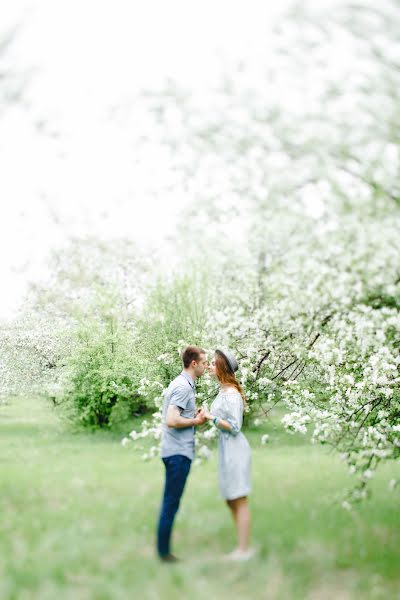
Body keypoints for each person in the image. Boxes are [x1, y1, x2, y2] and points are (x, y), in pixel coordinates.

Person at [156, 345, 208, 562]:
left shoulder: (183, 384)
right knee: (171, 502)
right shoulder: (183, 387)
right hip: (177, 453)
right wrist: (196, 420)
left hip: (175, 451)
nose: (206, 366)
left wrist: (191, 415)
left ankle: (164, 550)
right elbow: (171, 420)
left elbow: (178, 415)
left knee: (171, 501)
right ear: (194, 363)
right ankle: (164, 553)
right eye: (204, 362)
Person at [203, 348, 254, 561]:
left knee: (238, 498)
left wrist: (211, 418)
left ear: (222, 368)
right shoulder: (223, 391)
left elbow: (234, 427)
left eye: (213, 363)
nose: (209, 366)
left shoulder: (232, 394)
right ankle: (241, 544)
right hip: (226, 449)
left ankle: (243, 550)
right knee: (229, 498)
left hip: (235, 449)